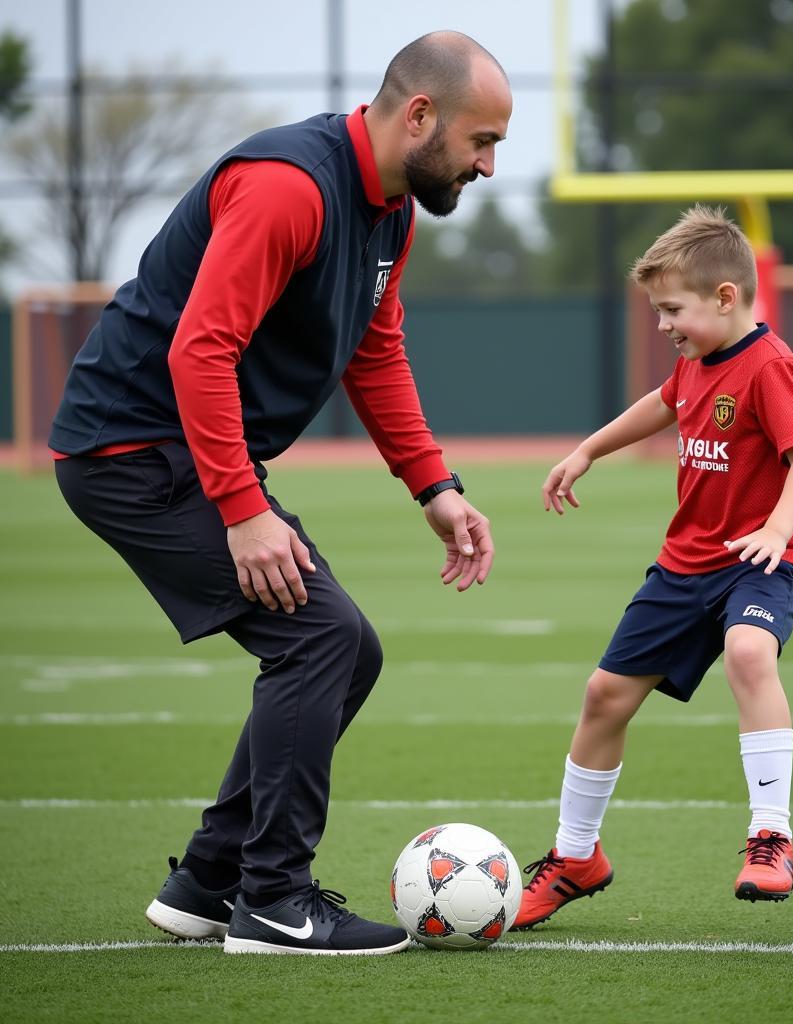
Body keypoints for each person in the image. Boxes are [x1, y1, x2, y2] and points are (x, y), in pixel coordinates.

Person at [49, 31, 512, 956]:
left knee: (349, 649)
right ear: (419, 116)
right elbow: (200, 349)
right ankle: (274, 900)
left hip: (179, 451)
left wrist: (434, 486)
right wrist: (242, 508)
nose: (490, 165)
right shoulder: (288, 187)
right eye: (480, 141)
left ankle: (206, 883)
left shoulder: (391, 210)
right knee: (320, 638)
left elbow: (373, 350)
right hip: (131, 452)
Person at [511, 205, 793, 930]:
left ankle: (770, 838)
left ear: (726, 296)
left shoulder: (774, 367)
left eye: (672, 310)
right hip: (687, 563)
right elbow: (662, 404)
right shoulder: (696, 364)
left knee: (750, 652)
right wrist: (588, 449)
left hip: (764, 559)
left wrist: (778, 528)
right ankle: (575, 858)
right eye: (658, 311)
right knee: (603, 697)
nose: (664, 326)